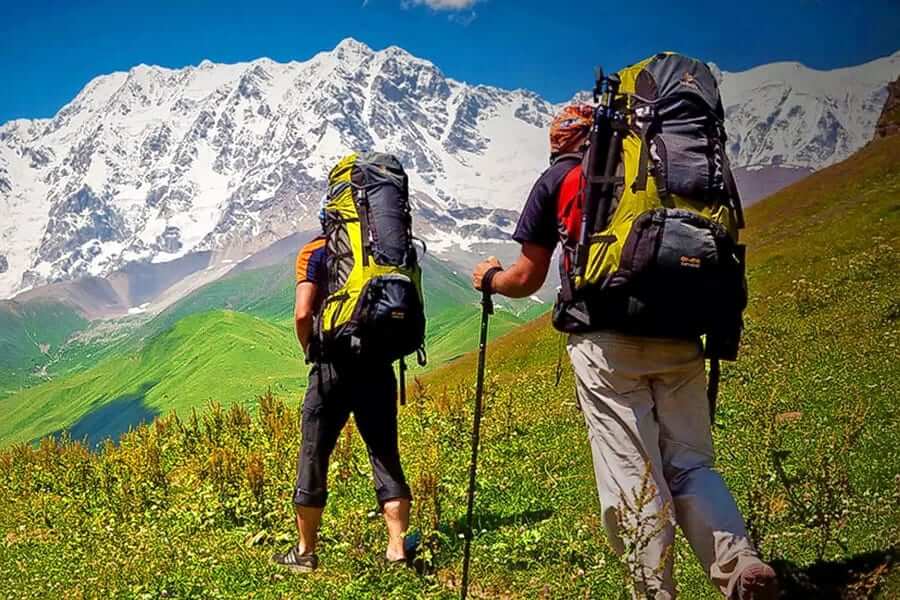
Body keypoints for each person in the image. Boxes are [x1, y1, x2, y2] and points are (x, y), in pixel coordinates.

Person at [471, 105, 778, 599]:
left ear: (559, 142)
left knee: (633, 478)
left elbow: (526, 278)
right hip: (682, 335)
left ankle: (654, 593)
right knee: (693, 465)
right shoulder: (665, 174)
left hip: (607, 342)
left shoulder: (564, 178)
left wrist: (489, 277)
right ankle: (740, 566)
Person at [272, 232, 414, 573]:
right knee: (384, 454)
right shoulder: (385, 248)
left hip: (330, 367)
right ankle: (397, 548)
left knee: (314, 455)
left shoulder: (316, 249)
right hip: (378, 366)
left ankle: (305, 552)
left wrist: (311, 349)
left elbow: (303, 314)